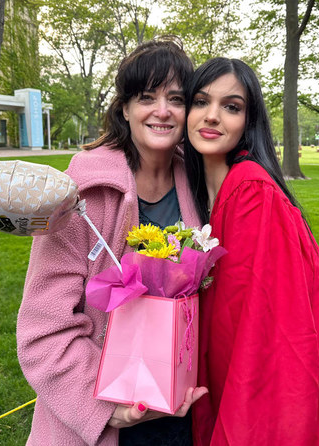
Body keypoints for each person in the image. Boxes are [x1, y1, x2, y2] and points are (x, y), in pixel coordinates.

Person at [16, 37, 208, 446]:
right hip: (103, 425)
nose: (162, 111)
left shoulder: (199, 186)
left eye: (175, 98)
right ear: (124, 107)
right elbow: (44, 329)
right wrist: (107, 408)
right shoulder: (81, 195)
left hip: (182, 418)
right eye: (146, 97)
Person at [183, 58, 319, 445]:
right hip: (217, 382)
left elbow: (270, 335)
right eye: (201, 101)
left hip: (257, 404)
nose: (212, 116)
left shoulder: (253, 194)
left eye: (232, 107)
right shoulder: (208, 195)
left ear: (248, 121)